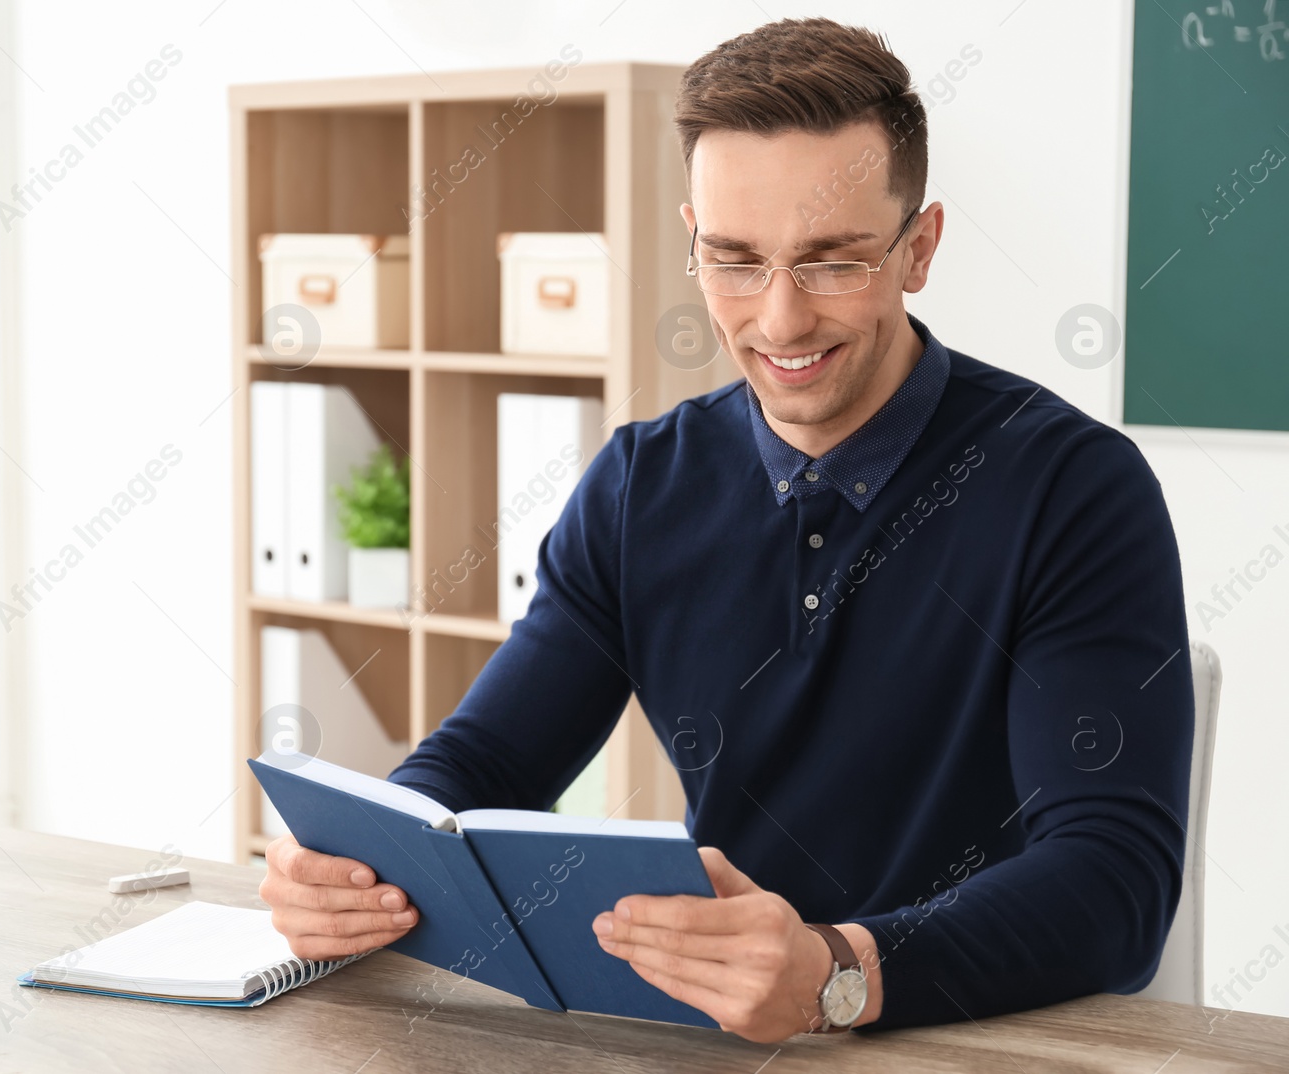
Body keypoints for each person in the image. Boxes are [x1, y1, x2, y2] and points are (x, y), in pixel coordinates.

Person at [259, 16, 1193, 1043]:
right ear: (691, 239)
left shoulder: (1073, 488)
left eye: (832, 262)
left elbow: (1114, 883)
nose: (780, 320)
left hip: (981, 1040)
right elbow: (480, 768)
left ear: (917, 248)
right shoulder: (636, 486)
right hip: (721, 1039)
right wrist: (359, 866)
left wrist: (840, 971)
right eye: (735, 260)